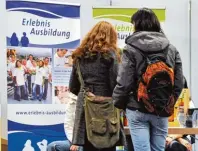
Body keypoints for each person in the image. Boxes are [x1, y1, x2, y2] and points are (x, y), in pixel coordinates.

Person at [112, 8, 183, 151]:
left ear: (137, 25)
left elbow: (124, 82)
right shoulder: (171, 49)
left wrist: (118, 104)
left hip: (137, 108)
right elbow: (179, 83)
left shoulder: (130, 49)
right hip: (161, 109)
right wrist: (168, 102)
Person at [69, 21, 125, 151]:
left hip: (84, 106)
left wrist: (87, 94)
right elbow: (115, 84)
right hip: (106, 108)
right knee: (107, 141)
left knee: (88, 143)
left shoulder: (79, 55)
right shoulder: (112, 55)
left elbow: (73, 86)